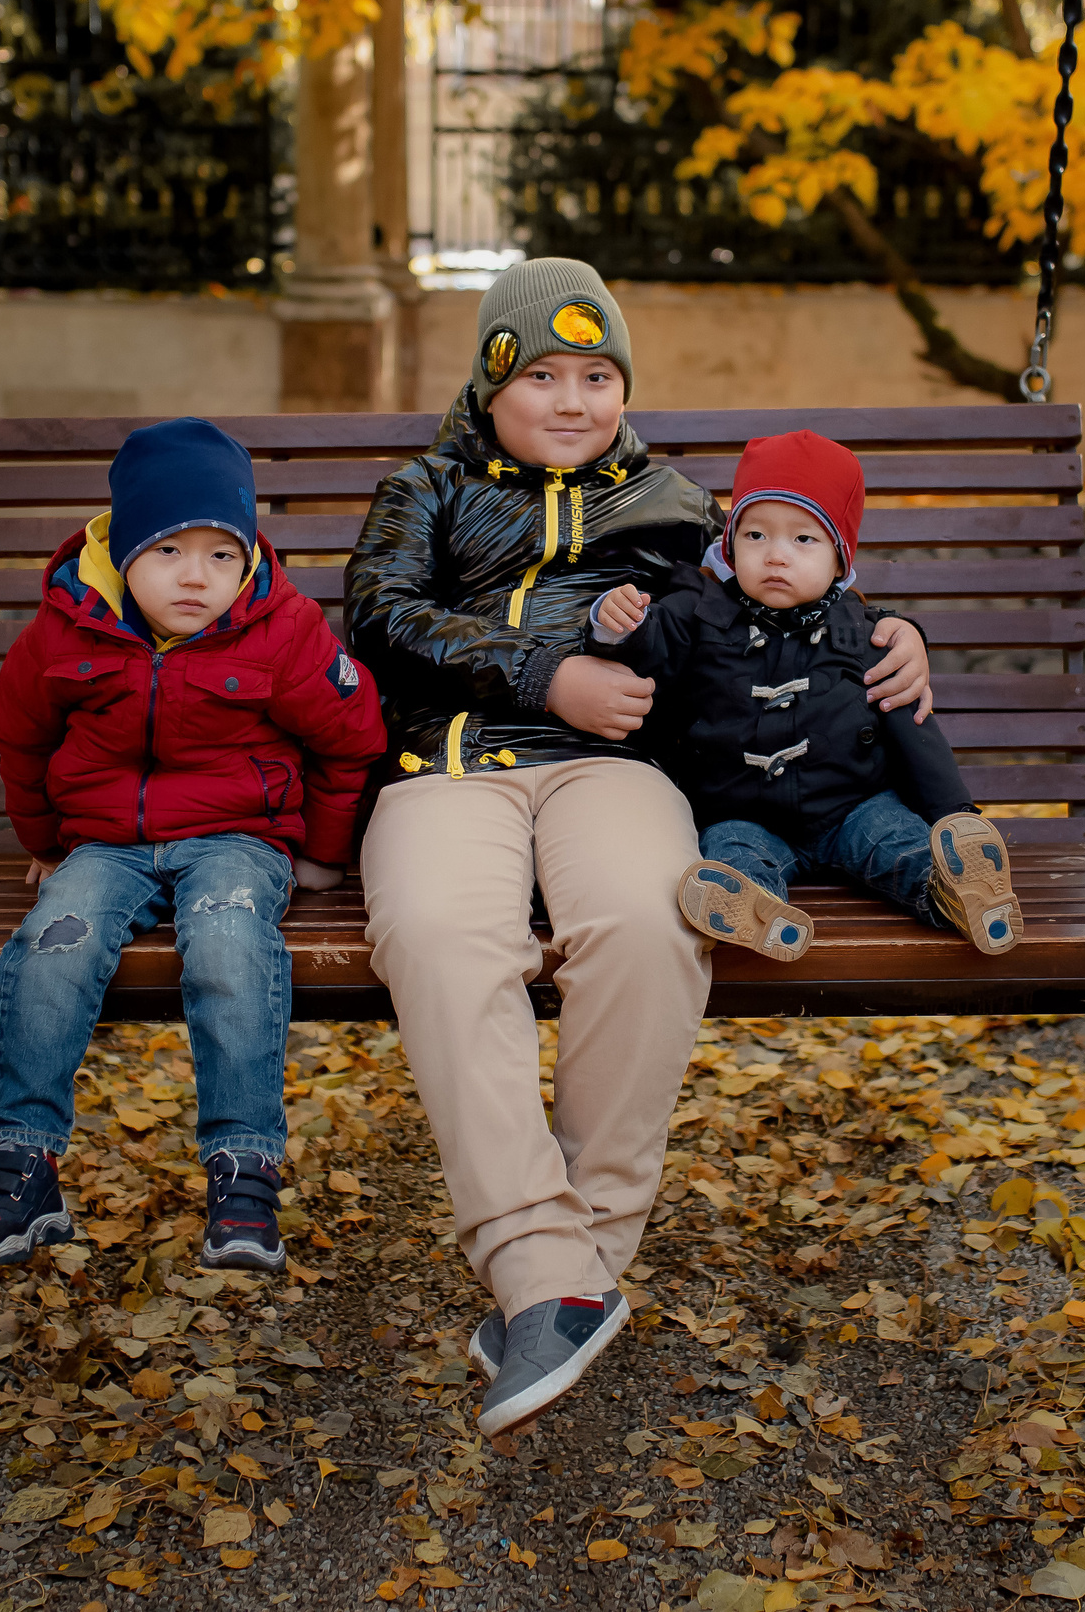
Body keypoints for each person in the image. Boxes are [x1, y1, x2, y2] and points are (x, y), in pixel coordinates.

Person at [345, 261, 933, 1435]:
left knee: (650, 921)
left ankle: (560, 1278)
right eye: (542, 377)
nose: (572, 401)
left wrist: (892, 631)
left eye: (597, 376)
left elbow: (783, 602)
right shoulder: (427, 489)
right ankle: (554, 1276)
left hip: (615, 770)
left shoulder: (672, 504)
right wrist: (541, 672)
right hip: (449, 765)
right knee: (439, 935)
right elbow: (379, 613)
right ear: (492, 381)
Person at [0, 417, 387, 1273]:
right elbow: (22, 735)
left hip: (238, 839)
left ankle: (244, 1169)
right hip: (107, 844)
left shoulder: (282, 628)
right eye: (168, 550)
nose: (195, 575)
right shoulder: (69, 626)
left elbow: (352, 733)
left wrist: (325, 854)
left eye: (222, 554)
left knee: (228, 941)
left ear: (247, 558)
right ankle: (23, 1161)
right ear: (122, 550)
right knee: (54, 942)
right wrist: (43, 841)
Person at [588, 428, 1023, 959]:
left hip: (854, 807)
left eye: (803, 540)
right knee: (730, 853)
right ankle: (758, 914)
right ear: (730, 544)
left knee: (901, 844)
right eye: (756, 535)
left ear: (840, 561)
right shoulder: (696, 612)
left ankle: (962, 893)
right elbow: (645, 650)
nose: (776, 556)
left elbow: (911, 726)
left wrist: (955, 814)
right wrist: (616, 624)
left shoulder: (864, 633)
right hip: (741, 812)